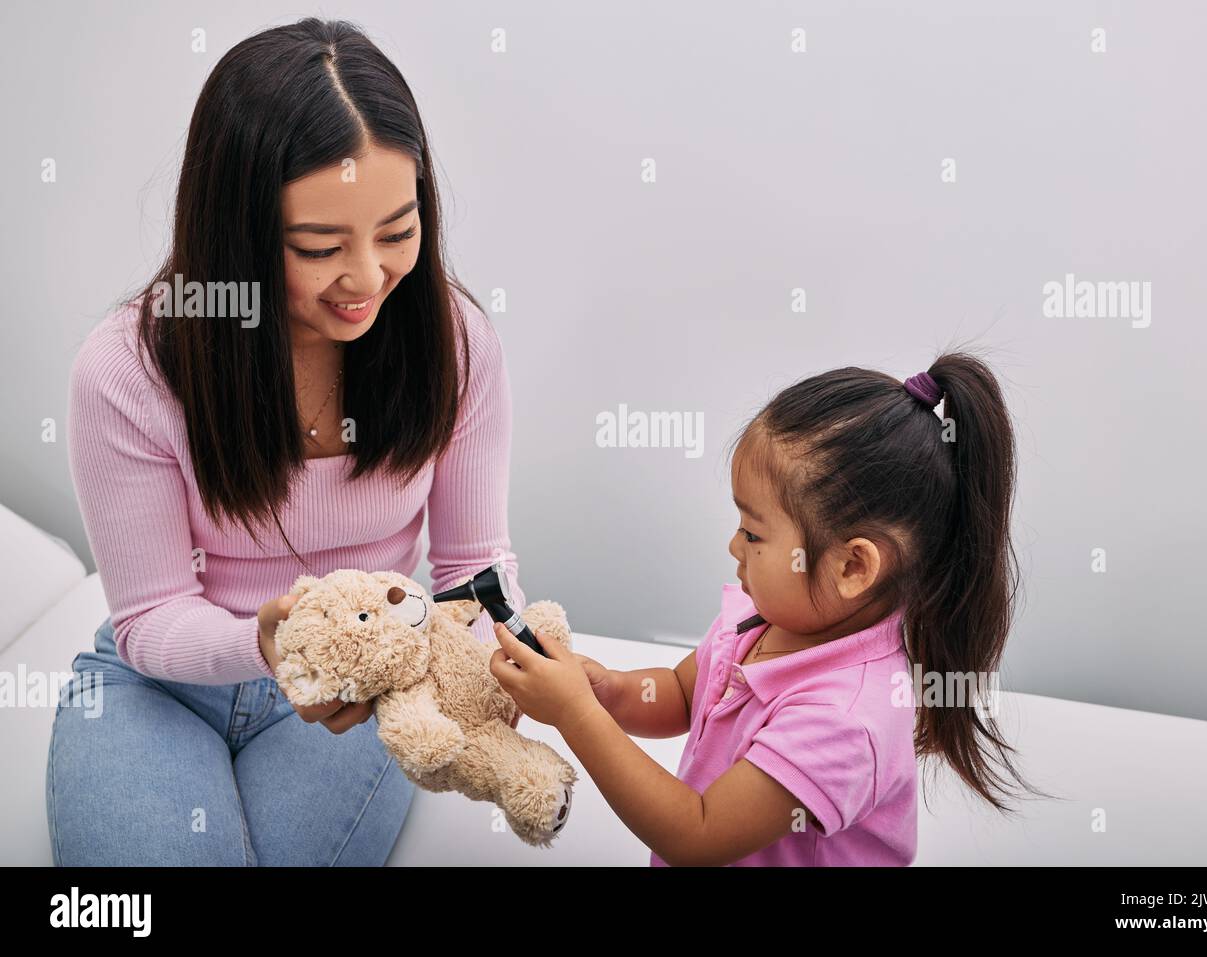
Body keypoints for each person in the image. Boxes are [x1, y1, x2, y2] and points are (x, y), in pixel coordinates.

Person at [47, 18, 524, 866]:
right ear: (237, 233)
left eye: (398, 231)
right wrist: (264, 644)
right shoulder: (128, 370)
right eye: (319, 247)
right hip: (161, 687)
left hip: (360, 683)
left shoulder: (455, 345)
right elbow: (150, 615)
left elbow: (470, 568)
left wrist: (506, 659)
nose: (370, 276)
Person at [491, 354, 1047, 865]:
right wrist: (607, 691)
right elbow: (684, 693)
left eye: (754, 533)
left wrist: (576, 716)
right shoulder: (761, 619)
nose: (735, 547)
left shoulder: (846, 718)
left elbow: (698, 834)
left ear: (853, 567)